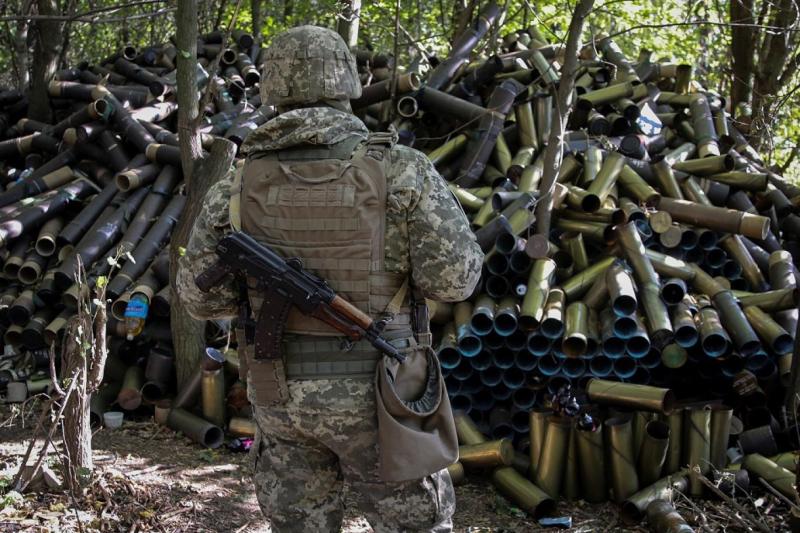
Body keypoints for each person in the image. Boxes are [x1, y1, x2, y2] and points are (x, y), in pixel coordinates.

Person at [176, 25, 483, 532]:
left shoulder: (238, 181)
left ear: (270, 87)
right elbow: (455, 282)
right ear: (349, 82)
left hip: (279, 394)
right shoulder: (401, 170)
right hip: (382, 394)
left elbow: (200, 299)